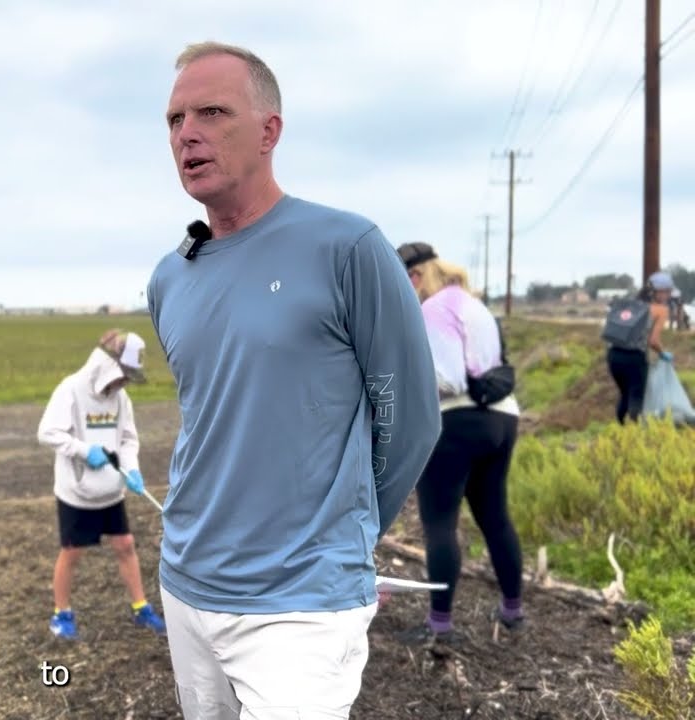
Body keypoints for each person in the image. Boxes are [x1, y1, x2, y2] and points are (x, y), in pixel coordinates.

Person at [145, 41, 441, 718]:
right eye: (174, 119)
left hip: (302, 601)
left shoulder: (347, 248)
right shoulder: (170, 278)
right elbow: (217, 414)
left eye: (212, 113)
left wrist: (345, 538)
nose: (187, 133)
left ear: (269, 130)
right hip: (186, 582)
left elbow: (410, 419)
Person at [394, 242, 525, 645]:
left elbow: (447, 380)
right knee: (495, 516)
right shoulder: (474, 304)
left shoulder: (431, 310)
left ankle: (440, 625)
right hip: (502, 417)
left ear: (415, 276)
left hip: (456, 421)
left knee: (439, 522)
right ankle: (512, 611)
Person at [36, 328, 167, 641]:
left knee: (125, 545)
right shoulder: (71, 389)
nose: (124, 383)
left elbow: (127, 438)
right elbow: (48, 432)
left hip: (112, 491)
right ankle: (61, 614)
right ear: (107, 366)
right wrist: (84, 451)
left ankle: (141, 607)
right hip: (77, 494)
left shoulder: (121, 398)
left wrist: (132, 469)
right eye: (123, 375)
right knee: (72, 553)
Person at [605, 272, 674, 424]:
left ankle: (621, 431)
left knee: (624, 394)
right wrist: (663, 354)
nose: (669, 295)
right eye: (667, 291)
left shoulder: (631, 304)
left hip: (613, 355)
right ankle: (633, 435)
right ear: (658, 292)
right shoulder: (661, 310)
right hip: (634, 358)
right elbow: (653, 341)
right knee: (636, 396)